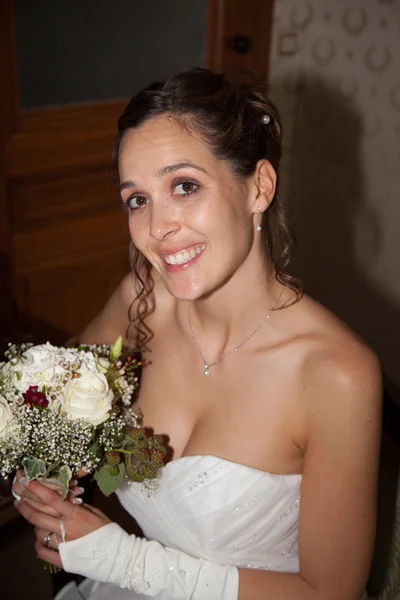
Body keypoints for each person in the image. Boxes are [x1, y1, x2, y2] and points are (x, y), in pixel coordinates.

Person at [13, 68, 381, 600]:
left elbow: (329, 595)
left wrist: (122, 559)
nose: (157, 227)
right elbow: (49, 397)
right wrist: (47, 464)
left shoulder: (336, 375)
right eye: (137, 199)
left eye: (184, 186)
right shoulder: (144, 298)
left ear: (259, 187)